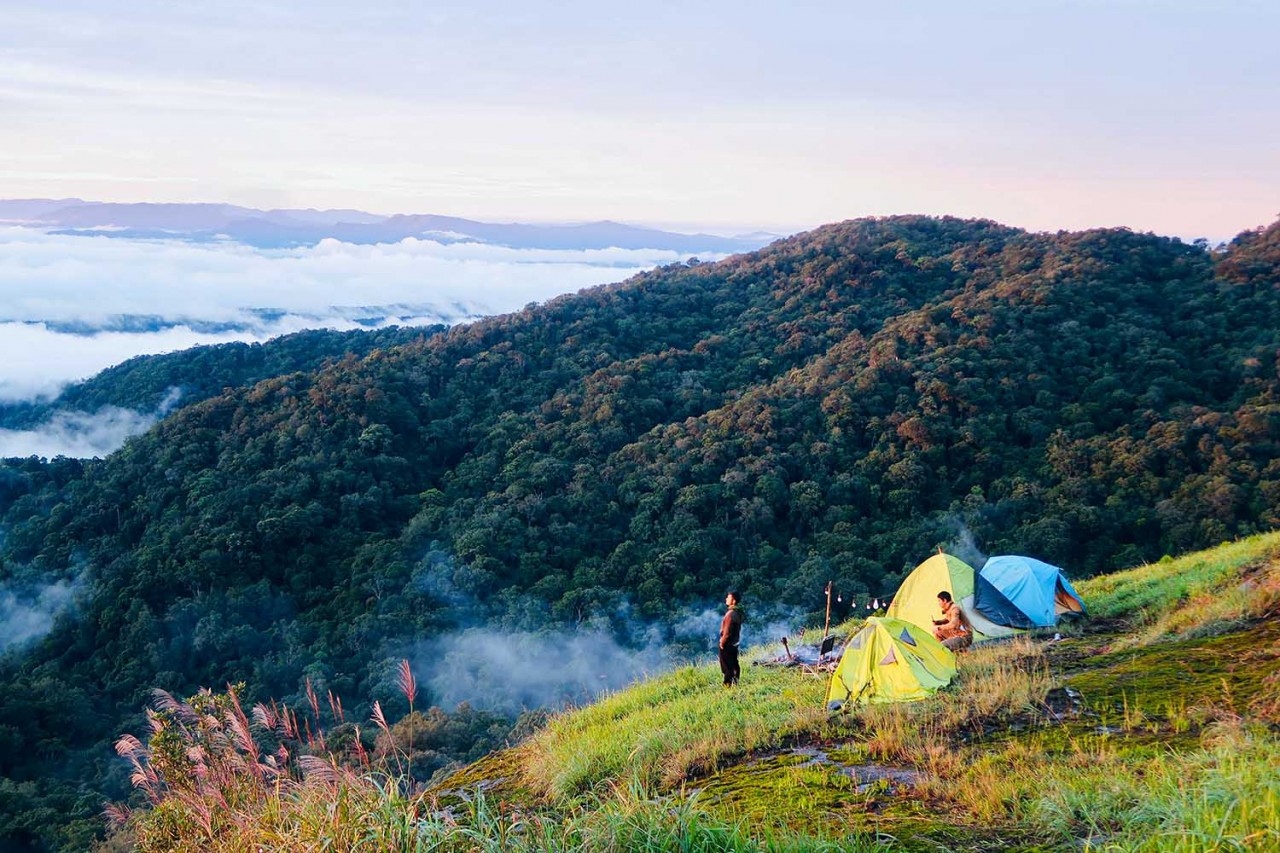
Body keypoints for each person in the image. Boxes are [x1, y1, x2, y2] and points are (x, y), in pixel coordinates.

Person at [719, 591, 745, 686]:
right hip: (734, 643)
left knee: (727, 665)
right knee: (734, 662)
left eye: (728, 597)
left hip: (728, 644)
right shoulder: (737, 612)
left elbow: (727, 632)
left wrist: (722, 642)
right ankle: (735, 681)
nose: (726, 599)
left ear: (733, 601)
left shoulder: (730, 614)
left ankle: (727, 684)